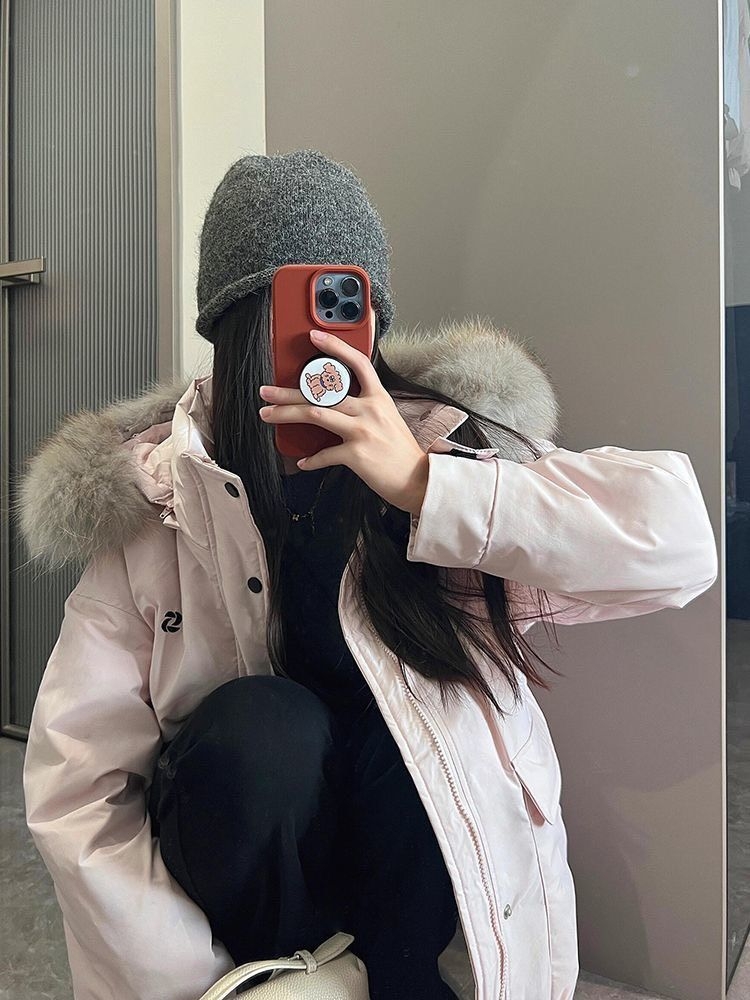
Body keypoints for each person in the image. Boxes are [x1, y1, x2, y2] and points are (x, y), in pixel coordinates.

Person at [17, 149, 718, 1000]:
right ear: (233, 336)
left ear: (374, 321)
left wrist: (427, 486)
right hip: (257, 909)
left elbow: (677, 545)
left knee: (416, 710)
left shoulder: (447, 449)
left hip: (416, 892)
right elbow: (78, 785)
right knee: (261, 730)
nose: (315, 351)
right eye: (283, 322)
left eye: (344, 311)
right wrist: (209, 987)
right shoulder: (161, 498)